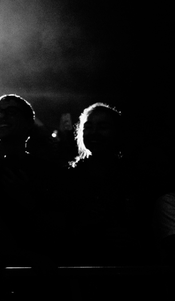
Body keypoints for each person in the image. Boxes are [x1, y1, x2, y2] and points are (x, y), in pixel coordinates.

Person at [0, 94, 62, 267]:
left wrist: (28, 201)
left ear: (29, 123)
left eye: (12, 112)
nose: (3, 116)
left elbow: (57, 228)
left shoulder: (46, 171)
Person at [59, 102, 152, 265]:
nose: (94, 133)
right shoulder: (68, 176)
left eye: (103, 127)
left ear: (118, 132)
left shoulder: (135, 177)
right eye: (88, 127)